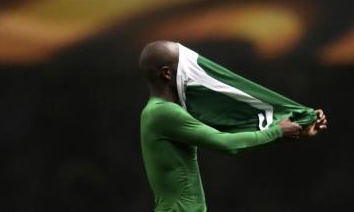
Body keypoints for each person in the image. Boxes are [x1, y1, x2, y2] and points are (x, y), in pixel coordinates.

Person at [139, 41, 327, 212]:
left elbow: (232, 130)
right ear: (167, 73)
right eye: (186, 65)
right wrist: (277, 131)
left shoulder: (166, 111)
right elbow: (227, 143)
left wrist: (298, 128)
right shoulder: (162, 113)